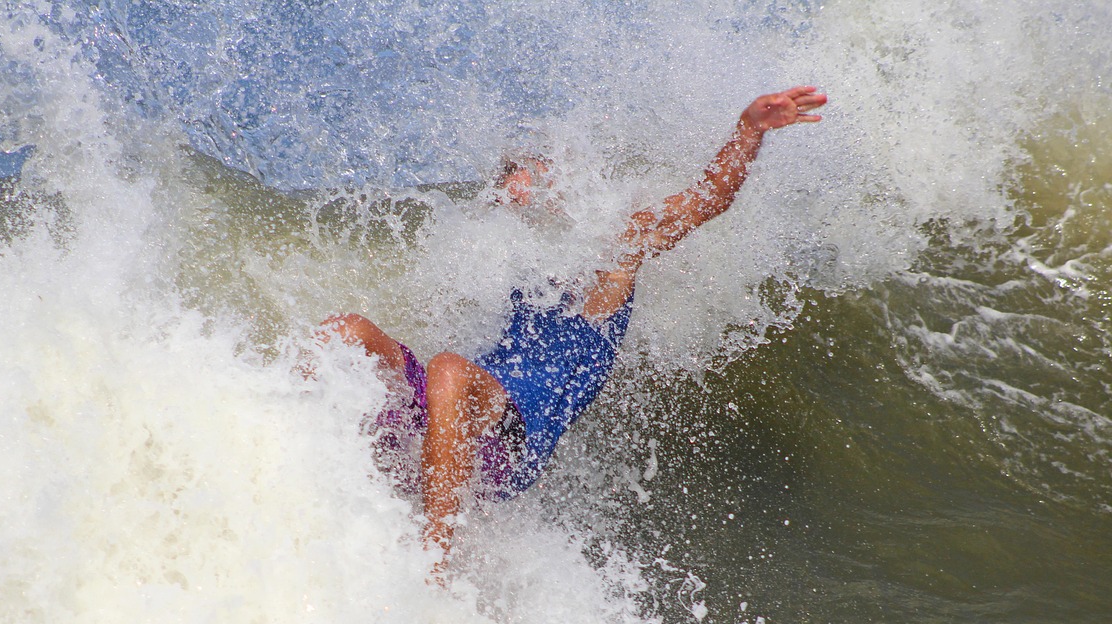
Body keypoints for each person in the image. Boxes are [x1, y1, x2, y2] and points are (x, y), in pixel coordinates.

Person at [319, 86, 827, 579]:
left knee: (447, 367)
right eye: (514, 179)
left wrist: (749, 130)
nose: (522, 191)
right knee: (345, 331)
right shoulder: (518, 264)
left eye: (535, 177)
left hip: (509, 443)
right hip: (454, 423)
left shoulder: (614, 257)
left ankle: (431, 568)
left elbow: (707, 200)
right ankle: (291, 475)